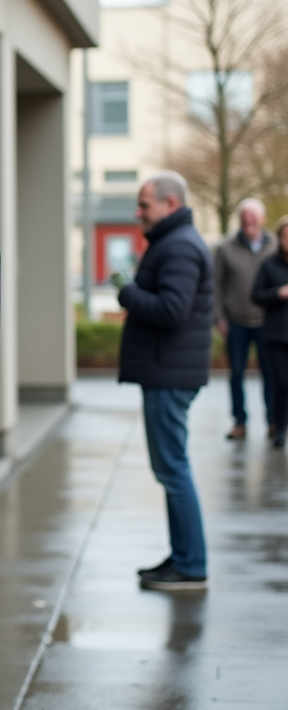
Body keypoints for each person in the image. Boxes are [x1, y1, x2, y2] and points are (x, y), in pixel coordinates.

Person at [113, 171, 213, 590]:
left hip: (169, 373)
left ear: (171, 204)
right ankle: (184, 557)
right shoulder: (175, 241)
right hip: (168, 371)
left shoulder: (179, 246)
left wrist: (126, 290)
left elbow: (172, 309)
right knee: (171, 468)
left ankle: (190, 565)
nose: (138, 213)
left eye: (144, 204)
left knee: (172, 469)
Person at [214, 198, 276, 441]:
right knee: (237, 374)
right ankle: (239, 422)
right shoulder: (225, 248)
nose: (248, 219)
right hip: (235, 322)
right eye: (244, 215)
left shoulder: (275, 246)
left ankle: (273, 421)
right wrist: (219, 317)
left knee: (270, 374)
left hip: (267, 322)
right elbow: (216, 285)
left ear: (262, 219)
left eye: (253, 215)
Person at [249, 215, 288, 449]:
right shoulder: (269, 264)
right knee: (282, 383)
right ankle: (279, 427)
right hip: (276, 335)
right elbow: (255, 295)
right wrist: (277, 294)